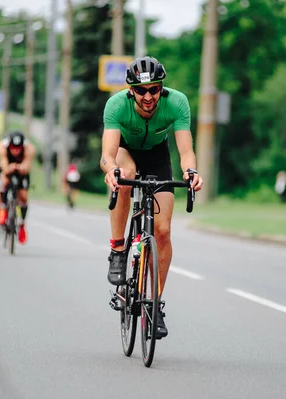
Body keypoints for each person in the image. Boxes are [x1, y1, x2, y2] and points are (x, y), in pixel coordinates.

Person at [100, 56, 204, 339]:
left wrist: (191, 172)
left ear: (162, 88)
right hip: (125, 151)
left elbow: (185, 152)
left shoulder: (178, 103)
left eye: (154, 89)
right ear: (131, 90)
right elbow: (107, 155)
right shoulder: (117, 105)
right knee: (126, 172)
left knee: (162, 231)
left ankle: (155, 304)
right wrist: (111, 171)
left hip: (158, 156)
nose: (148, 97)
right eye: (141, 91)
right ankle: (118, 249)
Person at [0, 131, 35, 244]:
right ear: (8, 146)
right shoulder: (1, 148)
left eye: (18, 148)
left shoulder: (29, 149)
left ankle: (22, 225)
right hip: (6, 168)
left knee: (24, 197)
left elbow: (27, 165)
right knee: (2, 186)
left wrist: (22, 167)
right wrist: (9, 168)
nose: (16, 151)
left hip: (21, 170)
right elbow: (4, 166)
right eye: (13, 148)